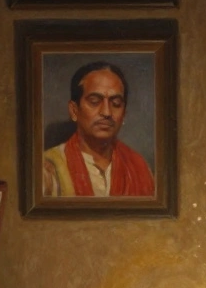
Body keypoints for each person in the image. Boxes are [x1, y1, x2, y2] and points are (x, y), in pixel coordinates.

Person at [43, 61, 154, 197]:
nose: (107, 112)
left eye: (116, 103)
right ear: (74, 110)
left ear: (124, 114)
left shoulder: (139, 167)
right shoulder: (49, 168)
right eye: (94, 101)